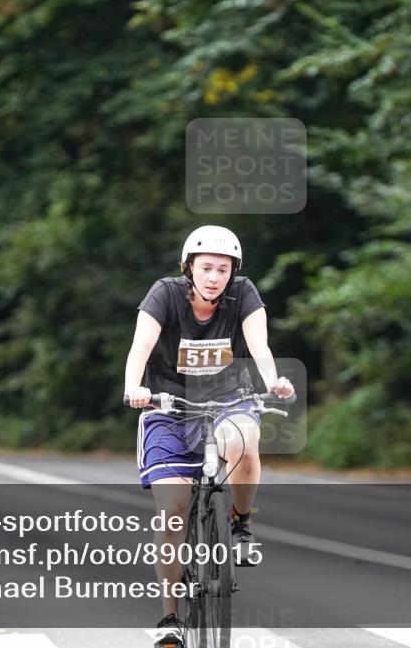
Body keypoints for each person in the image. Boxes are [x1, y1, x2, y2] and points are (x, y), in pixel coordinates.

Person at [124, 225, 294, 646]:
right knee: (172, 509)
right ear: (189, 268)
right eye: (207, 267)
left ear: (233, 272)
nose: (215, 276)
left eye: (223, 269)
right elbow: (140, 347)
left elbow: (260, 346)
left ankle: (239, 524)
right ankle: (170, 618)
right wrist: (134, 387)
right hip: (167, 406)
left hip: (227, 400)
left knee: (243, 440)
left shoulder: (244, 295)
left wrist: (273, 381)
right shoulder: (164, 294)